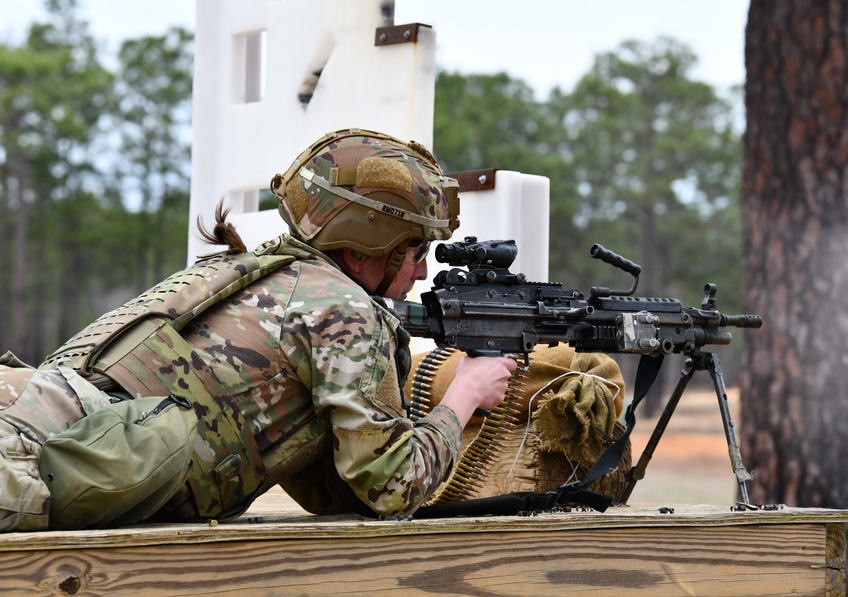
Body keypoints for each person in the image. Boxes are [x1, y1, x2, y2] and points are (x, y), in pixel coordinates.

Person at [0, 128, 517, 531]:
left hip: (41, 422)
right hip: (41, 455)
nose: (421, 273)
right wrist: (464, 396)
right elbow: (393, 487)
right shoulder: (342, 310)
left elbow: (333, 486)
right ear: (365, 247)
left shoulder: (262, 275)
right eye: (415, 251)